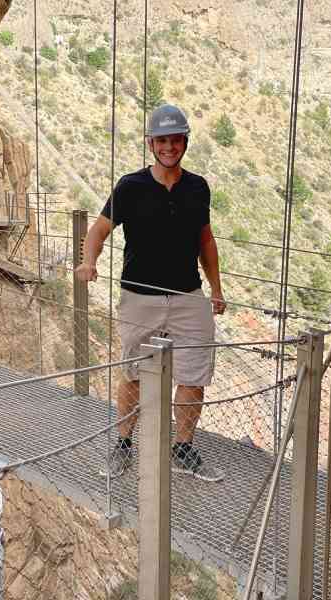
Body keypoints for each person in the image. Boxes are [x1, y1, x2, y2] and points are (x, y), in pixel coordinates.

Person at [75, 104, 226, 482]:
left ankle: (183, 448)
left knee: (193, 376)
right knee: (133, 373)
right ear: (150, 143)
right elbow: (98, 231)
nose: (170, 146)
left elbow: (206, 241)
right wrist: (88, 262)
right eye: (162, 140)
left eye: (176, 139)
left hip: (189, 297)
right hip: (139, 297)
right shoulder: (131, 186)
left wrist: (216, 289)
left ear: (185, 141)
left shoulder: (198, 187)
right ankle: (124, 444)